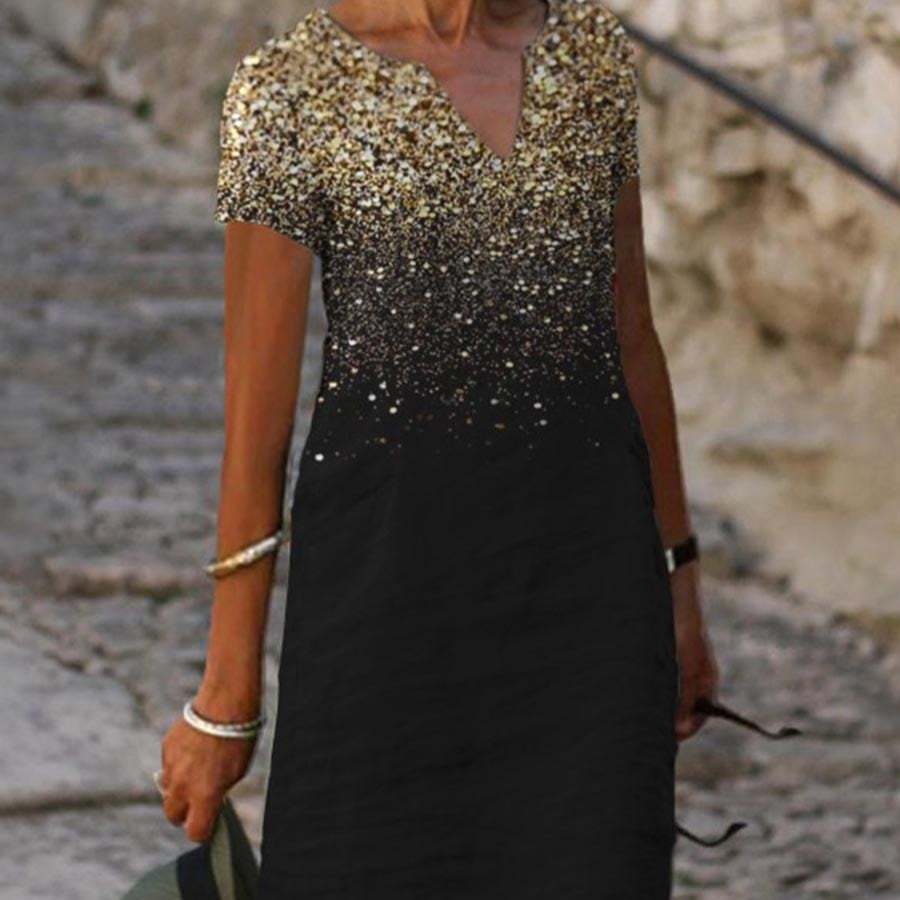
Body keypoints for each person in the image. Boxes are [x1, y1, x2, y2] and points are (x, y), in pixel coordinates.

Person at [159, 0, 719, 896]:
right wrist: (226, 696)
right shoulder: (288, 90)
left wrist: (679, 585)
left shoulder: (589, 52)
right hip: (381, 622)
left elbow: (630, 335)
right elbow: (254, 427)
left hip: (592, 625)